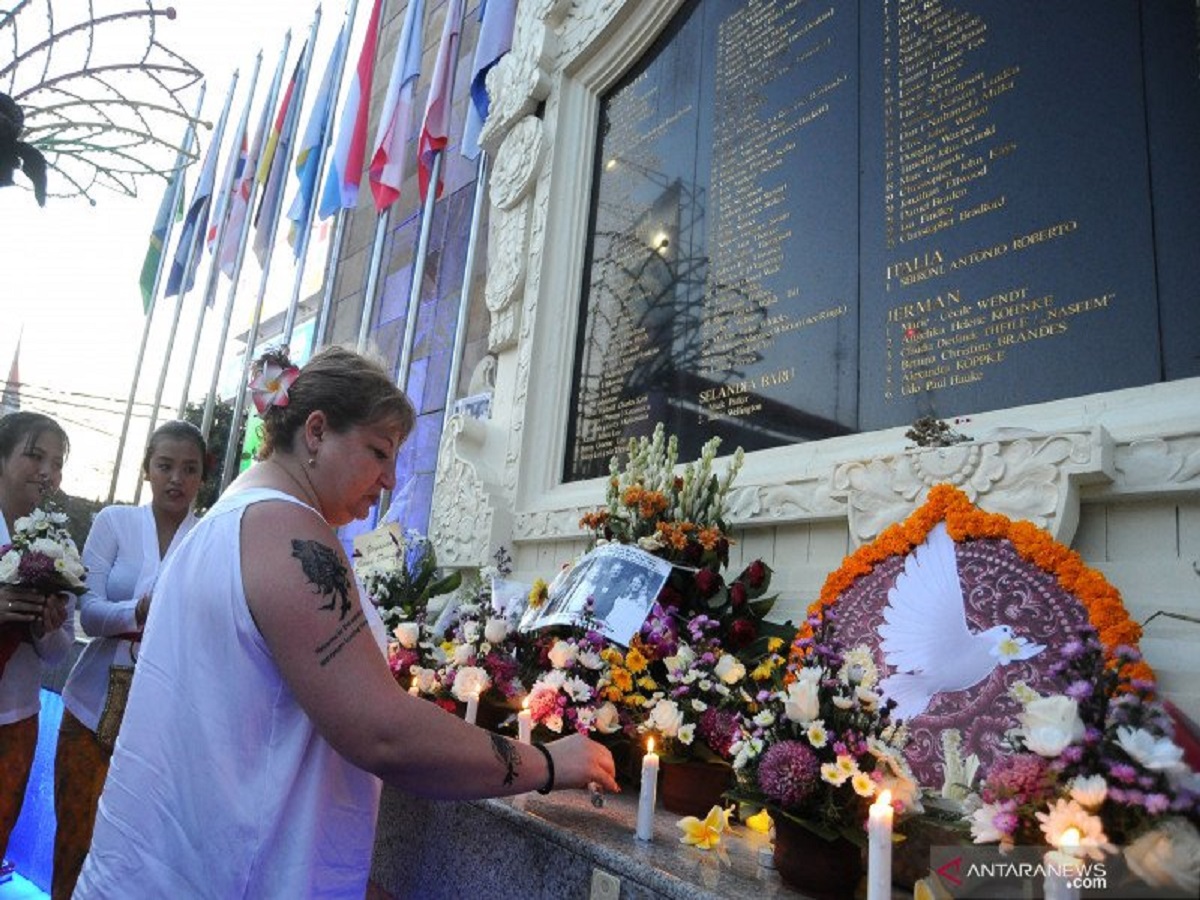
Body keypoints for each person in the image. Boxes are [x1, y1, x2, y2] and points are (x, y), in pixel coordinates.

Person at [75, 347, 618, 898]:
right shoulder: (288, 531)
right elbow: (382, 731)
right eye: (379, 452)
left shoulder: (230, 516)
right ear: (316, 431)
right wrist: (548, 761)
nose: (390, 479)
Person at [51, 421, 206, 899]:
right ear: (146, 469)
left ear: (203, 477)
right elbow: (88, 612)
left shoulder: (206, 537)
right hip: (89, 705)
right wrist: (136, 612)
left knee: (139, 855)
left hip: (163, 720)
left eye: (190, 469)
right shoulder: (114, 521)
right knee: (75, 838)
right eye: (165, 466)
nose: (176, 479)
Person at [0, 412, 72, 864]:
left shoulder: (57, 545)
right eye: (34, 456)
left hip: (16, 717)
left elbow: (60, 650)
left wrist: (46, 627)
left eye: (57, 462)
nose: (47, 471)